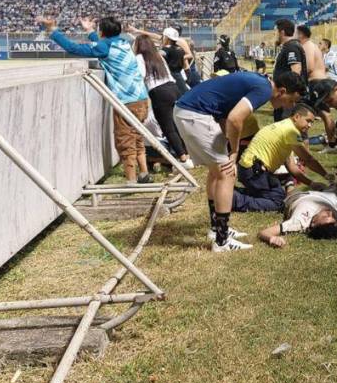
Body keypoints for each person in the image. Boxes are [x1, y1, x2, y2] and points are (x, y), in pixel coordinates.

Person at [174, 71, 305, 252]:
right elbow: (235, 118)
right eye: (291, 100)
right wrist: (234, 151)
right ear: (282, 91)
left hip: (188, 111)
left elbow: (225, 111)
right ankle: (221, 241)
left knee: (216, 172)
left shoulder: (261, 82)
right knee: (227, 174)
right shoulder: (264, 89)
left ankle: (217, 230)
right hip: (195, 115)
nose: (290, 106)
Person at [42, 16, 150, 183]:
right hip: (142, 98)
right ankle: (144, 173)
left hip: (126, 101)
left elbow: (73, 48)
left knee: (125, 140)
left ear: (103, 32)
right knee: (137, 137)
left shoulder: (105, 46)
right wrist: (90, 31)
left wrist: (53, 30)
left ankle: (131, 181)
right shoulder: (123, 43)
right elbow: (101, 45)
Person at [232, 104, 334, 212]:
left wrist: (312, 183)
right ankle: (234, 200)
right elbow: (308, 159)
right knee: (278, 202)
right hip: (253, 171)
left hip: (250, 169)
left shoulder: (284, 127)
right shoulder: (291, 132)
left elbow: (292, 167)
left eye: (312, 122)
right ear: (297, 117)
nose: (310, 125)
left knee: (279, 194)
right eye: (308, 121)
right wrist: (326, 175)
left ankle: (232, 192)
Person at [133, 35, 192, 170]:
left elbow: (140, 76)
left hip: (159, 93)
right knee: (176, 124)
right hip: (173, 87)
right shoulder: (158, 56)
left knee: (168, 127)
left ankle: (183, 158)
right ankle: (187, 153)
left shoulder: (139, 58)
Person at [272, 19, 307, 121]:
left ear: (282, 32)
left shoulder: (291, 47)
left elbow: (295, 72)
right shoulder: (289, 46)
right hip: (286, 96)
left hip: (288, 97)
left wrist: (288, 97)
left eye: (275, 32)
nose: (274, 35)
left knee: (287, 126)